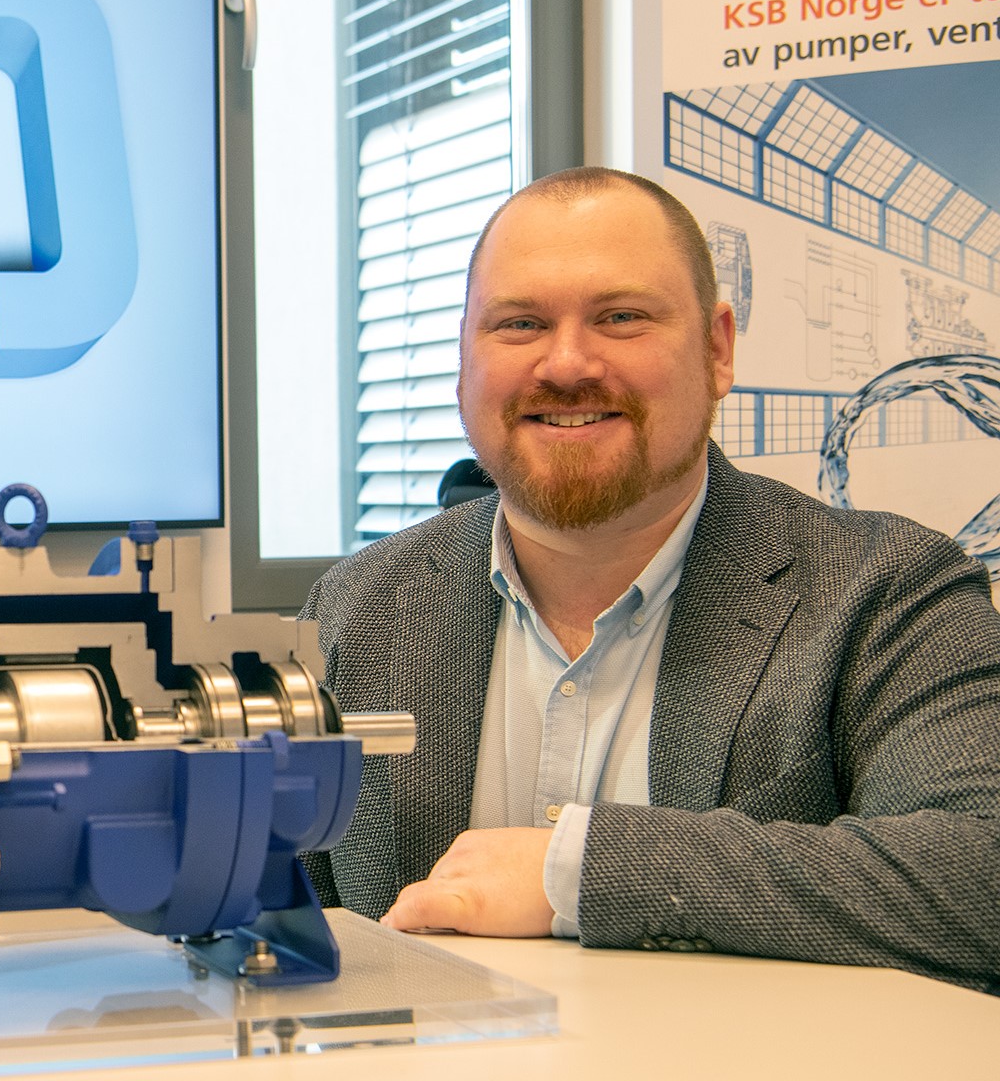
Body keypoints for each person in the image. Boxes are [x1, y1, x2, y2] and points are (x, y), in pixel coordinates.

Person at [300, 167, 1000, 992]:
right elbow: (282, 918)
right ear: (463, 362)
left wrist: (578, 870)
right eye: (518, 324)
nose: (565, 364)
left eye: (620, 317)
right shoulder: (360, 606)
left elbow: (980, 877)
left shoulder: (886, 590)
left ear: (718, 348)